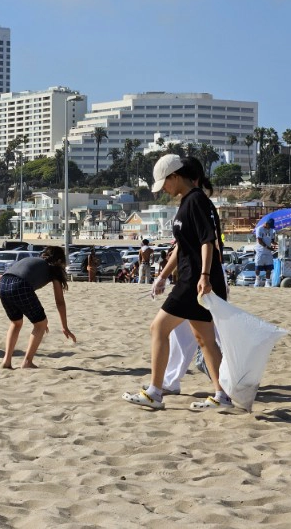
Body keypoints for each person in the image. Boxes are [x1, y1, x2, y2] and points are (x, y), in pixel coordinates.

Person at [122, 155, 231, 411]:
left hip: (194, 280)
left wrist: (204, 277)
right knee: (204, 339)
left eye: (165, 183)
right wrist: (161, 276)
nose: (165, 189)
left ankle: (155, 392)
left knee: (158, 328)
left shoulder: (196, 201)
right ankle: (222, 395)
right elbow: (182, 246)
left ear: (175, 176)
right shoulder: (187, 202)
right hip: (193, 278)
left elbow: (208, 241)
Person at [0, 246, 76, 369]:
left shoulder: (34, 261)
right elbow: (60, 301)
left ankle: (6, 361)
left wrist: (37, 318)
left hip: (3, 283)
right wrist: (64, 326)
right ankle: (27, 362)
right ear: (60, 261)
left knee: (16, 323)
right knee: (41, 324)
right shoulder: (53, 269)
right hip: (20, 285)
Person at [254, 218, 277, 287]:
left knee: (269, 268)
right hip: (260, 251)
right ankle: (257, 279)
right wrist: (268, 247)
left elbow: (272, 240)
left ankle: (267, 282)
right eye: (270, 226)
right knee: (258, 267)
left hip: (268, 252)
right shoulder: (259, 229)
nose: (270, 227)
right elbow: (260, 241)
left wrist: (276, 244)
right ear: (266, 224)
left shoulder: (271, 230)